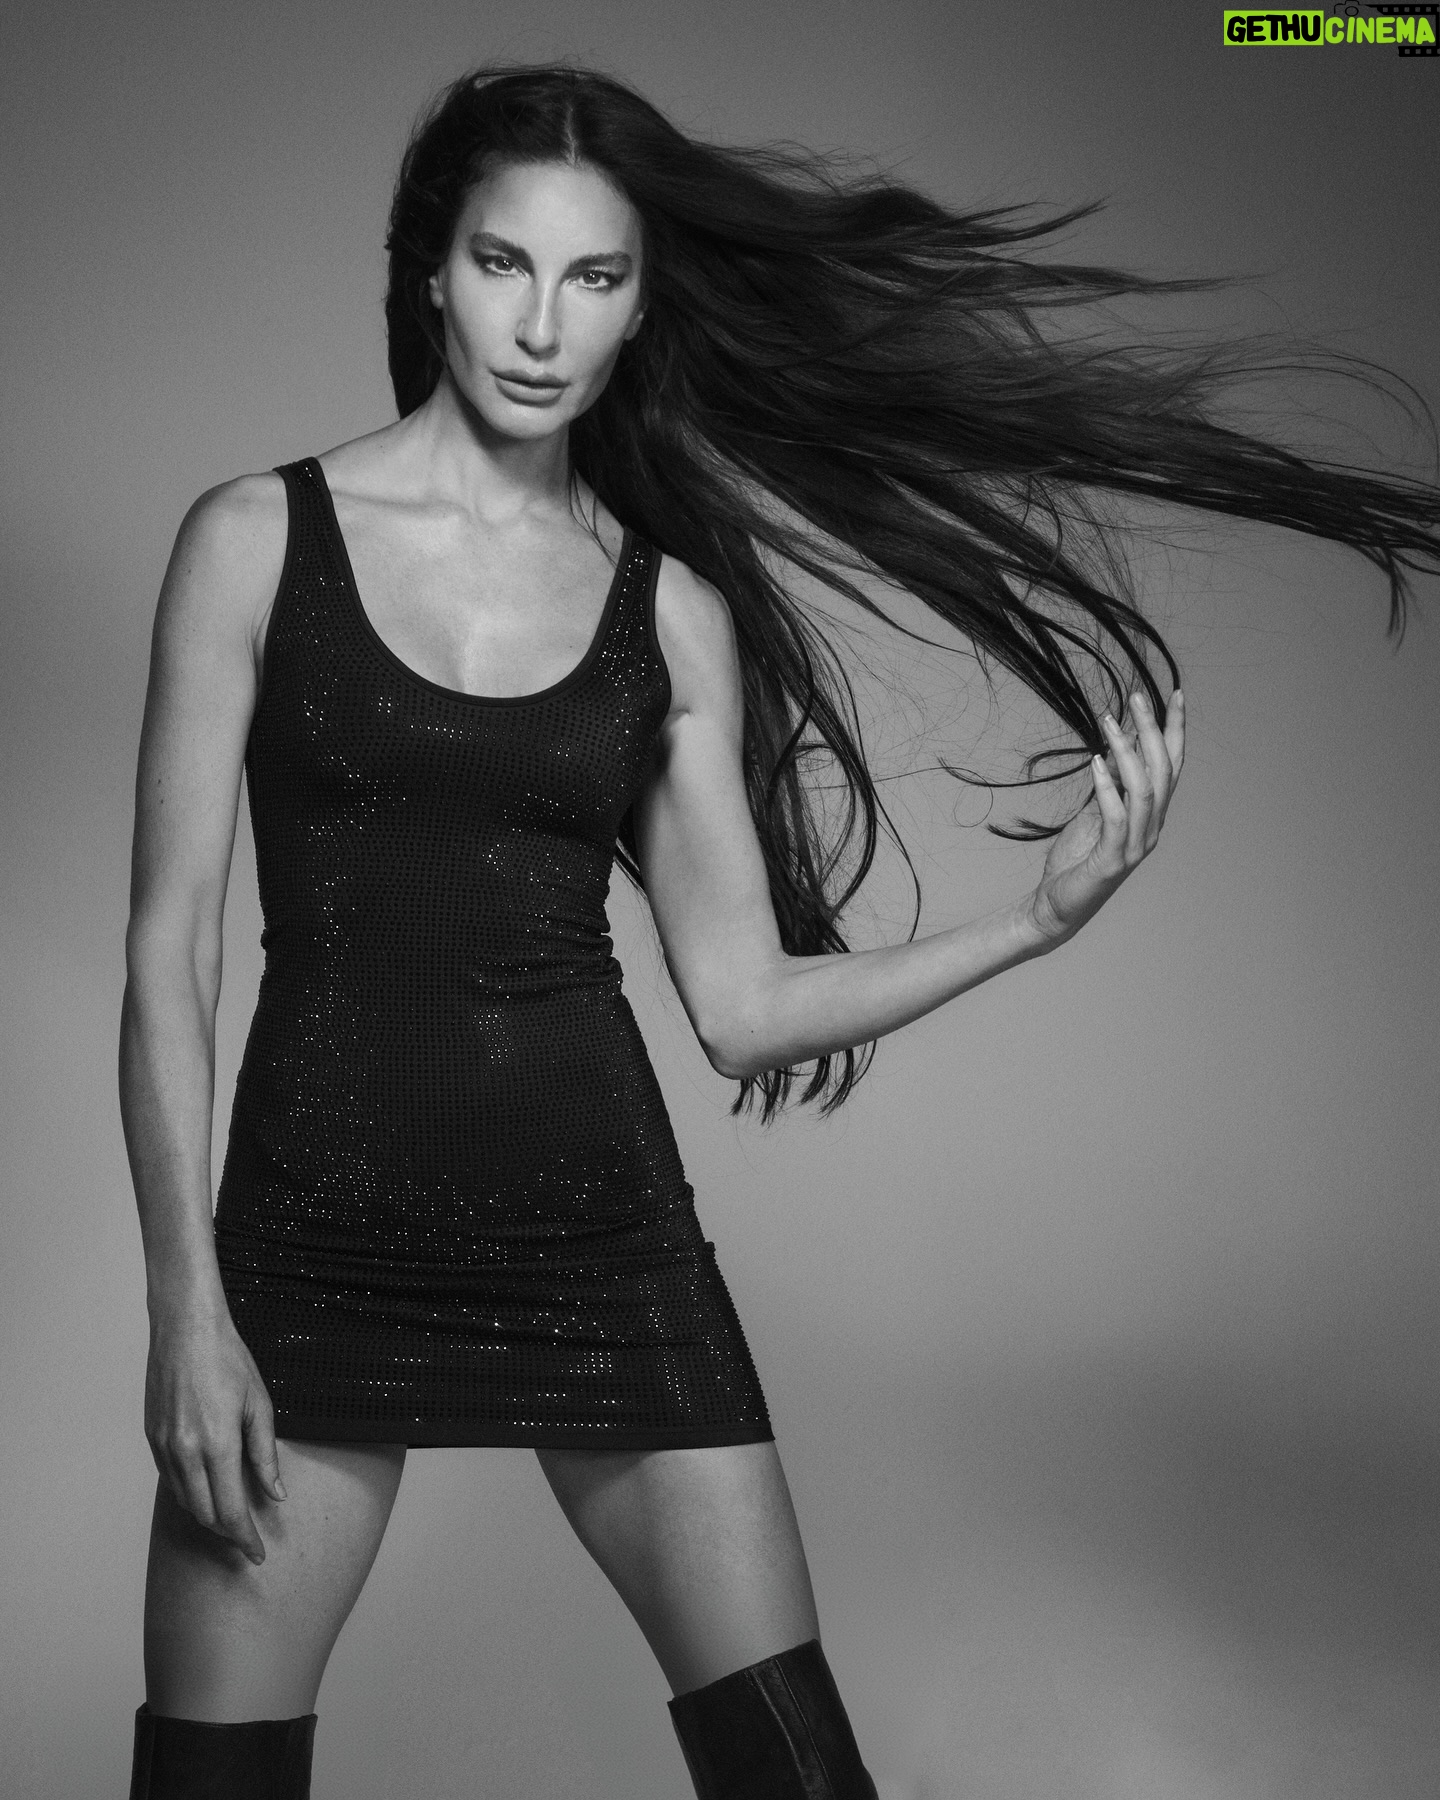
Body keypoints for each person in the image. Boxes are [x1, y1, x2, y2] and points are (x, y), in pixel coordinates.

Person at [119, 64, 1438, 1800]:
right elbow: (170, 956)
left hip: (605, 1250)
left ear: (639, 305)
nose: (542, 325)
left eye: (593, 278)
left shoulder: (667, 615)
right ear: (431, 270)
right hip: (308, 1256)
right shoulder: (252, 543)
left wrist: (1034, 924)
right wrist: (187, 1309)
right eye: (505, 264)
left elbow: (740, 1004)